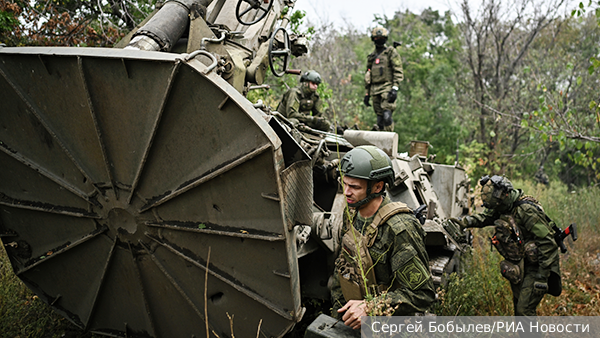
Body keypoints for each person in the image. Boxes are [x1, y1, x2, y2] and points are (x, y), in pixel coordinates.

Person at [330, 145, 435, 329]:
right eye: (344, 184)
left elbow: (422, 295)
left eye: (354, 187)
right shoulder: (352, 213)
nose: (346, 192)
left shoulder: (399, 229)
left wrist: (370, 307)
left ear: (378, 186)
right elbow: (344, 265)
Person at [451, 175, 561, 316]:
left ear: (505, 195)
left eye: (497, 205)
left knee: (524, 310)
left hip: (537, 266)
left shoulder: (526, 211)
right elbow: (486, 217)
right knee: (518, 307)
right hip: (520, 263)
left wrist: (542, 277)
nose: (495, 209)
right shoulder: (502, 204)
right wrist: (465, 222)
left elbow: (548, 243)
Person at [363, 26, 403, 131]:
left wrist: (395, 88)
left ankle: (389, 141)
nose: (379, 40)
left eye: (381, 38)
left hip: (387, 87)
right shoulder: (371, 57)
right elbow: (368, 76)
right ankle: (381, 142)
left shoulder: (390, 52)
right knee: (380, 119)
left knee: (387, 116)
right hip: (374, 89)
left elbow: (398, 70)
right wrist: (367, 94)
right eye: (376, 38)